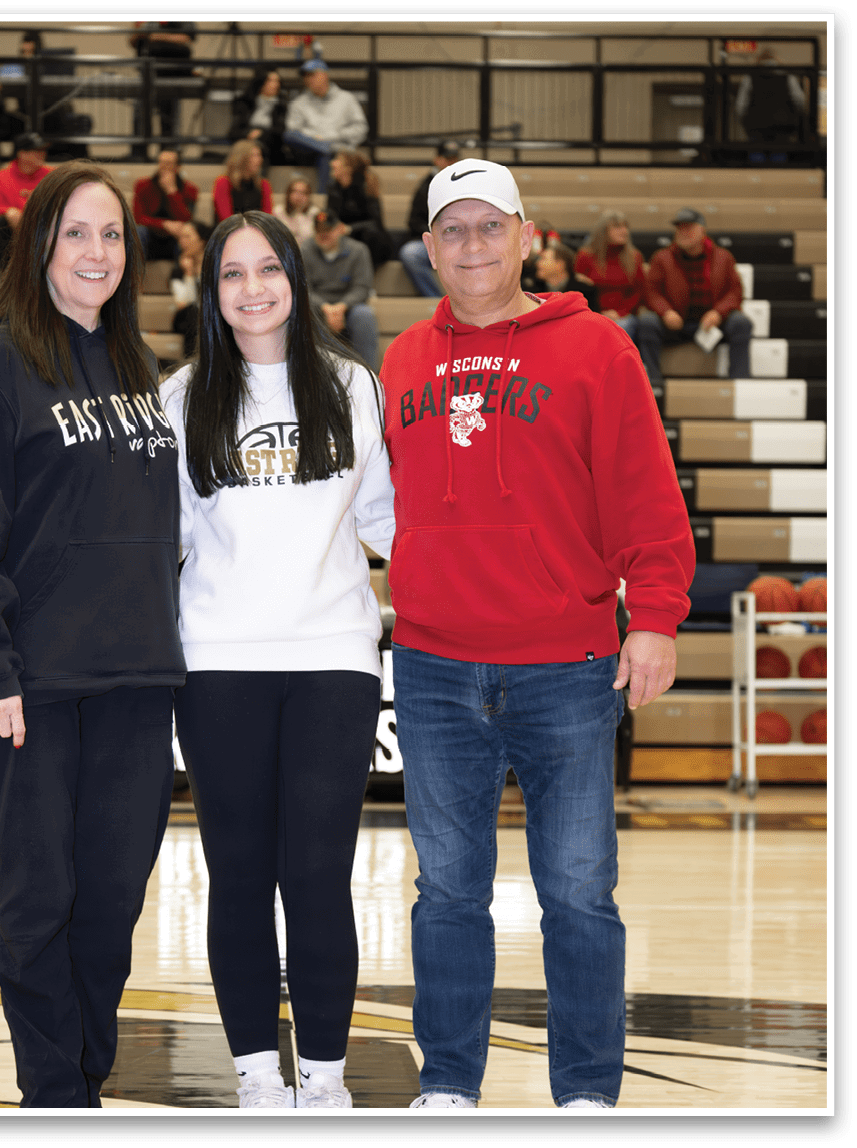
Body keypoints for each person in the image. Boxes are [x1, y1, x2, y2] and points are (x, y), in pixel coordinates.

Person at [378, 159, 694, 1109]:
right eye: (452, 232)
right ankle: (448, 1087)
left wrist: (658, 618)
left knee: (578, 896)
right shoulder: (399, 359)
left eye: (489, 227)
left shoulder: (595, 346)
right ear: (428, 249)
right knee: (445, 896)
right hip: (432, 663)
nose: (471, 247)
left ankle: (588, 1092)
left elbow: (644, 490)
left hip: (568, 662)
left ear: (526, 235)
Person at [0, 161, 185, 1108]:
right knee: (41, 905)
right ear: (38, 245)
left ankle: (84, 1081)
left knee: (112, 906)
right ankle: (54, 1099)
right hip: (26, 688)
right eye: (76, 232)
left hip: (135, 680)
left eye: (112, 235)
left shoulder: (138, 368)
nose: (97, 252)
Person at [160, 210, 394, 1109]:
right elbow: (164, 539)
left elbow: (384, 523)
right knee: (240, 873)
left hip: (333, 659)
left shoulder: (354, 389)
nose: (251, 288)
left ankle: (326, 1080)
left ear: (297, 282)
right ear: (211, 292)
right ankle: (259, 1076)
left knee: (318, 872)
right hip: (216, 663)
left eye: (268, 269)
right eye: (231, 273)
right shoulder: (180, 399)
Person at [636, 208, 753, 384]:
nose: (683, 233)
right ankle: (652, 383)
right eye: (680, 229)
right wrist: (666, 311)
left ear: (703, 231)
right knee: (647, 323)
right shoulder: (662, 258)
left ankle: (739, 382)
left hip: (710, 323)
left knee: (741, 323)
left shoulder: (723, 257)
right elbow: (651, 292)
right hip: (675, 323)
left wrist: (718, 313)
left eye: (689, 228)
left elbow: (735, 292)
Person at [300, 209, 379, 370]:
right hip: (317, 307)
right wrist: (325, 308)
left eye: (328, 230)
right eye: (319, 230)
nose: (324, 235)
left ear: (340, 229)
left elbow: (362, 288)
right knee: (303, 314)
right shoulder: (305, 250)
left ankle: (370, 374)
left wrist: (341, 307)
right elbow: (303, 288)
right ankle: (312, 375)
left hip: (349, 307)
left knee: (364, 315)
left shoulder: (358, 250)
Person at [283, 60, 368, 192]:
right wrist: (318, 139)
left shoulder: (346, 99)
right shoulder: (299, 103)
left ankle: (323, 196)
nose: (307, 79)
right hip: (308, 151)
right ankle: (327, 149)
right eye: (305, 76)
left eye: (312, 75)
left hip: (338, 150)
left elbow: (361, 129)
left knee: (325, 156)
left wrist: (333, 136)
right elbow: (293, 130)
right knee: (290, 135)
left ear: (324, 75)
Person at [0, 131, 52, 277]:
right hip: (13, 230)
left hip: (41, 228)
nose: (42, 154)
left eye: (42, 151)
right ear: (22, 153)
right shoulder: (2, 176)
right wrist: (9, 211)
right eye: (36, 151)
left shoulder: (51, 176)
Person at [398, 141, 459, 297]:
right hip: (433, 240)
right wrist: (439, 236)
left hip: (461, 240)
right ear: (437, 160)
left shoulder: (466, 184)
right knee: (411, 253)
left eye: (454, 159)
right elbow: (414, 222)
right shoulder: (426, 187)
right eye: (447, 159)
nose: (451, 163)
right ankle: (438, 300)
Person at [575, 211, 646, 341]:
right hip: (592, 312)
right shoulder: (586, 256)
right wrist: (598, 312)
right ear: (603, 231)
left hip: (624, 316)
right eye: (617, 227)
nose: (624, 231)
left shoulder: (635, 257)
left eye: (625, 227)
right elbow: (578, 290)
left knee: (620, 329)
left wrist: (621, 313)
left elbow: (639, 291)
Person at [128, 21, 196, 149]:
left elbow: (185, 38)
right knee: (141, 113)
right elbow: (132, 42)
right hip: (146, 71)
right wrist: (139, 33)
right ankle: (138, 153)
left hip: (171, 72)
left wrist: (155, 36)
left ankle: (168, 153)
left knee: (168, 116)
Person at [736, 47, 808, 158]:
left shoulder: (750, 77)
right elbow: (800, 100)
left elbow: (740, 105)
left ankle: (756, 174)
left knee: (756, 158)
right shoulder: (788, 76)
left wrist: (745, 121)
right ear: (776, 59)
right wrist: (796, 116)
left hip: (756, 126)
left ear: (759, 60)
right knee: (778, 159)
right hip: (782, 125)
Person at [132, 149, 199, 263]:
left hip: (175, 237)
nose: (164, 167)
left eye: (168, 163)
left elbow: (187, 220)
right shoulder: (143, 185)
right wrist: (164, 224)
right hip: (151, 234)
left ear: (178, 167)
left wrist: (172, 191)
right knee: (139, 232)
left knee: (188, 235)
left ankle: (181, 276)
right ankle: (135, 275)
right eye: (161, 162)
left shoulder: (190, 189)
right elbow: (139, 218)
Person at [327, 149, 391, 268]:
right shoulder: (333, 188)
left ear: (348, 168)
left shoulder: (366, 185)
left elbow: (376, 222)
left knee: (371, 234)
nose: (332, 163)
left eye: (337, 160)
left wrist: (349, 228)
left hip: (368, 240)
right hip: (345, 236)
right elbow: (331, 215)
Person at [229, 68, 287, 170]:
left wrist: (261, 133)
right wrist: (248, 134)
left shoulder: (282, 106)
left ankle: (256, 182)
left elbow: (281, 132)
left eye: (277, 81)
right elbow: (232, 133)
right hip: (246, 145)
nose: (275, 84)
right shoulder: (244, 103)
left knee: (257, 152)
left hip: (272, 148)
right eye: (270, 80)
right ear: (260, 82)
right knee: (246, 152)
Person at [169, 220, 211, 358]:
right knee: (194, 313)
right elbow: (183, 302)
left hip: (209, 314)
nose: (182, 242)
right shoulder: (177, 270)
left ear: (202, 241)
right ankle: (192, 365)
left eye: (187, 237)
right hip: (187, 318)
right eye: (181, 237)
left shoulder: (216, 266)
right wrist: (188, 274)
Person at [213, 139, 273, 222]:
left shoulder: (264, 184)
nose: (260, 159)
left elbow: (267, 217)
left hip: (256, 231)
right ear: (241, 158)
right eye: (254, 155)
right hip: (230, 231)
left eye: (259, 155)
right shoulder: (223, 182)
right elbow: (226, 218)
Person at [533, 241, 600, 312]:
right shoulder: (533, 291)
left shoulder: (585, 292)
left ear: (560, 264)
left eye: (543, 259)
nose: (537, 263)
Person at [271, 175, 316, 246]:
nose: (299, 196)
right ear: (288, 194)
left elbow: (312, 239)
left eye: (303, 193)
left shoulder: (314, 213)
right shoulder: (278, 211)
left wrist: (300, 213)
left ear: (309, 196)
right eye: (295, 191)